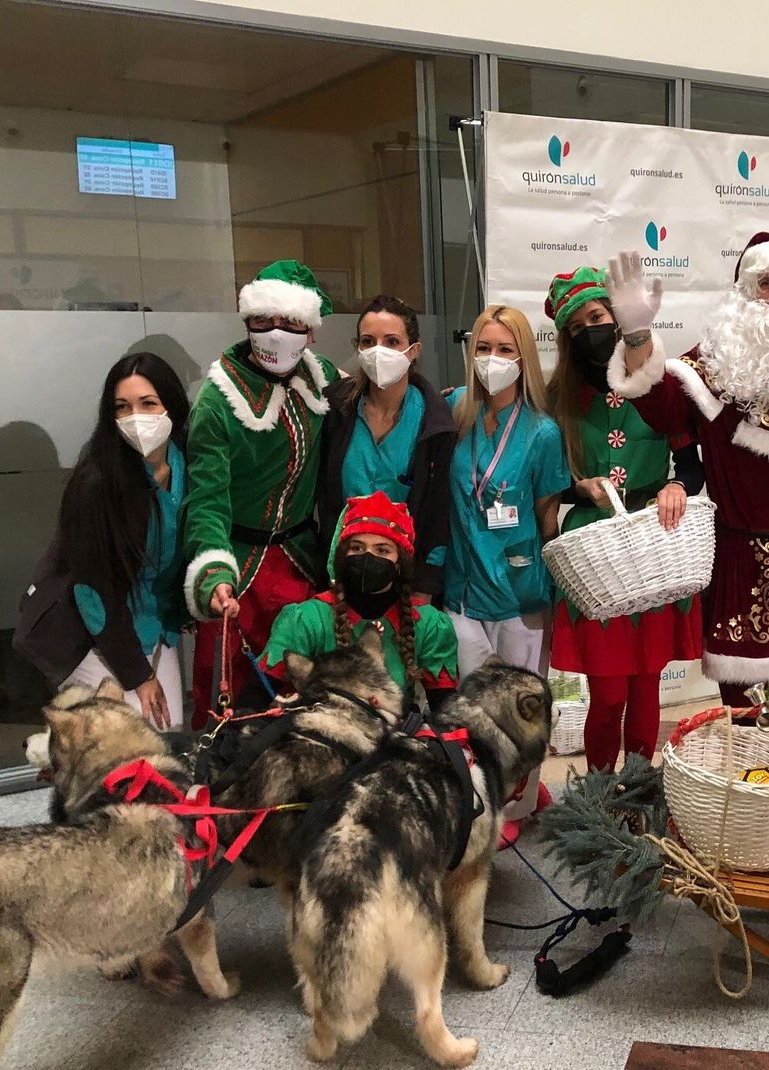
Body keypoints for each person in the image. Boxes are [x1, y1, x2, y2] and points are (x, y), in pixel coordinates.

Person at [610, 233, 769, 745]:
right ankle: (763, 822)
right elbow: (662, 405)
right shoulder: (714, 365)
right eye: (765, 285)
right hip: (744, 565)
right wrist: (639, 335)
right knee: (755, 723)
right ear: (743, 295)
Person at [544, 266, 705, 771]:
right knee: (608, 691)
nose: (589, 331)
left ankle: (636, 787)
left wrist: (677, 485)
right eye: (576, 327)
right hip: (594, 549)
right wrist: (578, 487)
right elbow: (547, 476)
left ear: (616, 316)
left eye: (596, 316)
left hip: (653, 543)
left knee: (646, 686)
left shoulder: (660, 382)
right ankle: (598, 788)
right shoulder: (559, 399)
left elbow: (693, 463)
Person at [181, 260, 338, 723]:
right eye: (263, 321)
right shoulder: (218, 400)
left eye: (290, 323)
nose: (275, 333)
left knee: (302, 691)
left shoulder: (320, 377)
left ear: (310, 331)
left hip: (299, 562)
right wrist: (213, 573)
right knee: (222, 692)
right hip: (238, 565)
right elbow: (206, 498)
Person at [442, 304, 569, 836]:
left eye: (505, 350)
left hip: (521, 594)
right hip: (462, 592)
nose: (492, 360)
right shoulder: (452, 412)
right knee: (472, 714)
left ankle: (518, 806)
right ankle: (477, 803)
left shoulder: (541, 433)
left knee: (523, 709)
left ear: (524, 359)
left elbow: (545, 518)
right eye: (485, 349)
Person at [15, 353, 190, 729]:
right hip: (96, 634)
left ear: (172, 406)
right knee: (124, 747)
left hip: (154, 625)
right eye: (122, 407)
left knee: (170, 732)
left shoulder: (189, 464)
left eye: (148, 404)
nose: (135, 418)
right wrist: (138, 676)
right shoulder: (96, 483)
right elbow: (95, 593)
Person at [318, 294, 456, 604]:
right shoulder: (334, 410)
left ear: (413, 350)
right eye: (368, 341)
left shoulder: (435, 423)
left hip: (404, 581)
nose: (378, 350)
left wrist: (423, 590)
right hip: (340, 574)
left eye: (392, 341)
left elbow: (437, 515)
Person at [260, 492, 457, 709]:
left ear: (400, 562)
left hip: (396, 735)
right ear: (343, 555)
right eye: (357, 548)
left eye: (382, 550)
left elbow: (445, 711)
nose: (368, 556)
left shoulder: (428, 623)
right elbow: (255, 696)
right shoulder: (306, 619)